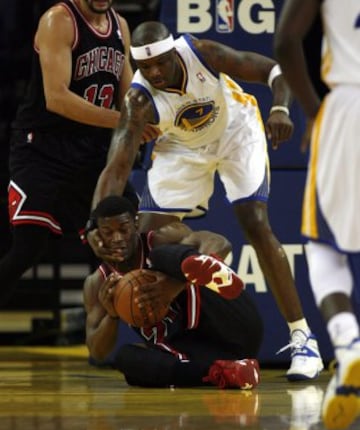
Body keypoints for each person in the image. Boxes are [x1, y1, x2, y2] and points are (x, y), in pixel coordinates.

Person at [89, 21, 324, 381]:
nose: (154, 73)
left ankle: (302, 338)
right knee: (148, 241)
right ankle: (181, 340)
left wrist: (280, 109)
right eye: (145, 68)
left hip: (236, 130)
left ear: (173, 53)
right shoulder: (138, 101)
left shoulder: (203, 52)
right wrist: (95, 225)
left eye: (160, 64)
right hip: (181, 147)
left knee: (255, 222)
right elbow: (115, 168)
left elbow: (274, 70)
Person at [0, 0, 158, 306]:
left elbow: (128, 97)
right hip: (43, 149)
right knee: (27, 248)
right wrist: (125, 121)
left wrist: (153, 121)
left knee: (126, 242)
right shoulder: (58, 20)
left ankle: (144, 337)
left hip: (93, 151)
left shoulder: (120, 26)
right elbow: (56, 98)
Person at [274, 1, 360, 429]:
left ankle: (347, 346)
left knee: (323, 244)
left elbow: (286, 40)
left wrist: (313, 111)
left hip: (348, 108)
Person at [84, 195, 263, 388]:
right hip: (195, 351)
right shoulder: (99, 282)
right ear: (97, 237)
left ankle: (193, 267)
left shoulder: (161, 237)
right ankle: (222, 373)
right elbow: (97, 351)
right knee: (127, 360)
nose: (117, 238)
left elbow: (220, 242)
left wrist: (175, 284)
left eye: (123, 229)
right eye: (108, 232)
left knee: (162, 254)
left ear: (136, 225)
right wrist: (112, 315)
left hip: (230, 324)